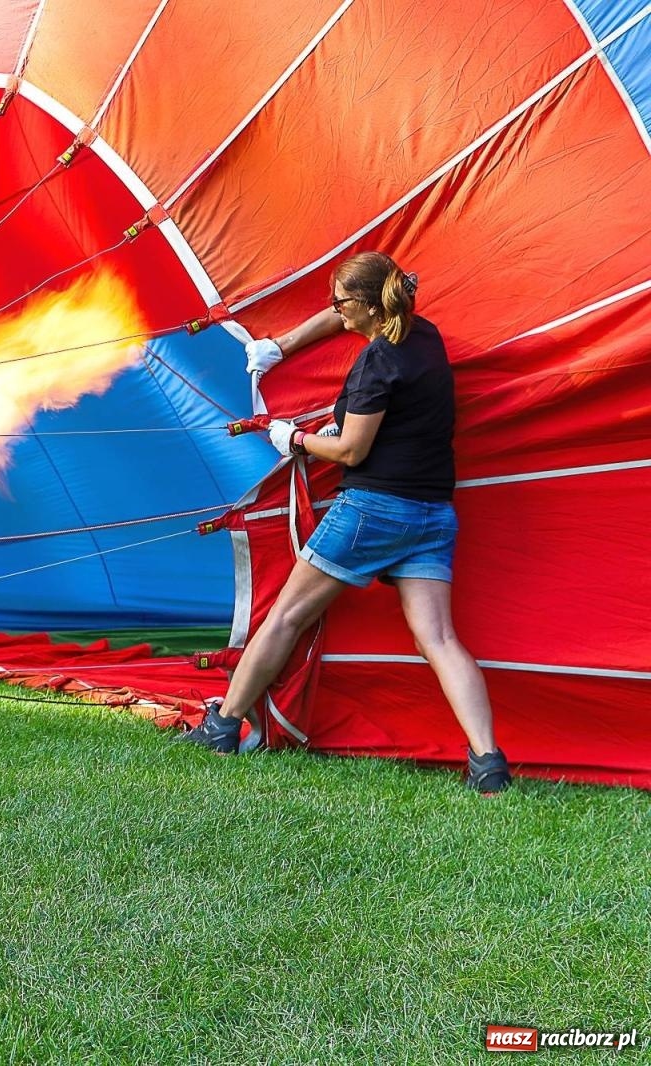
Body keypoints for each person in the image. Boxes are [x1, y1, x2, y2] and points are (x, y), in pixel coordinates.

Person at [180, 252, 509, 793]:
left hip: (372, 512)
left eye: (342, 303)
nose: (334, 312)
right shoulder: (424, 335)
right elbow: (344, 316)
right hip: (433, 516)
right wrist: (281, 345)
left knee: (285, 616)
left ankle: (222, 725)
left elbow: (352, 450)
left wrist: (295, 439)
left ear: (370, 308)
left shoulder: (377, 363)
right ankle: (489, 762)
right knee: (440, 638)